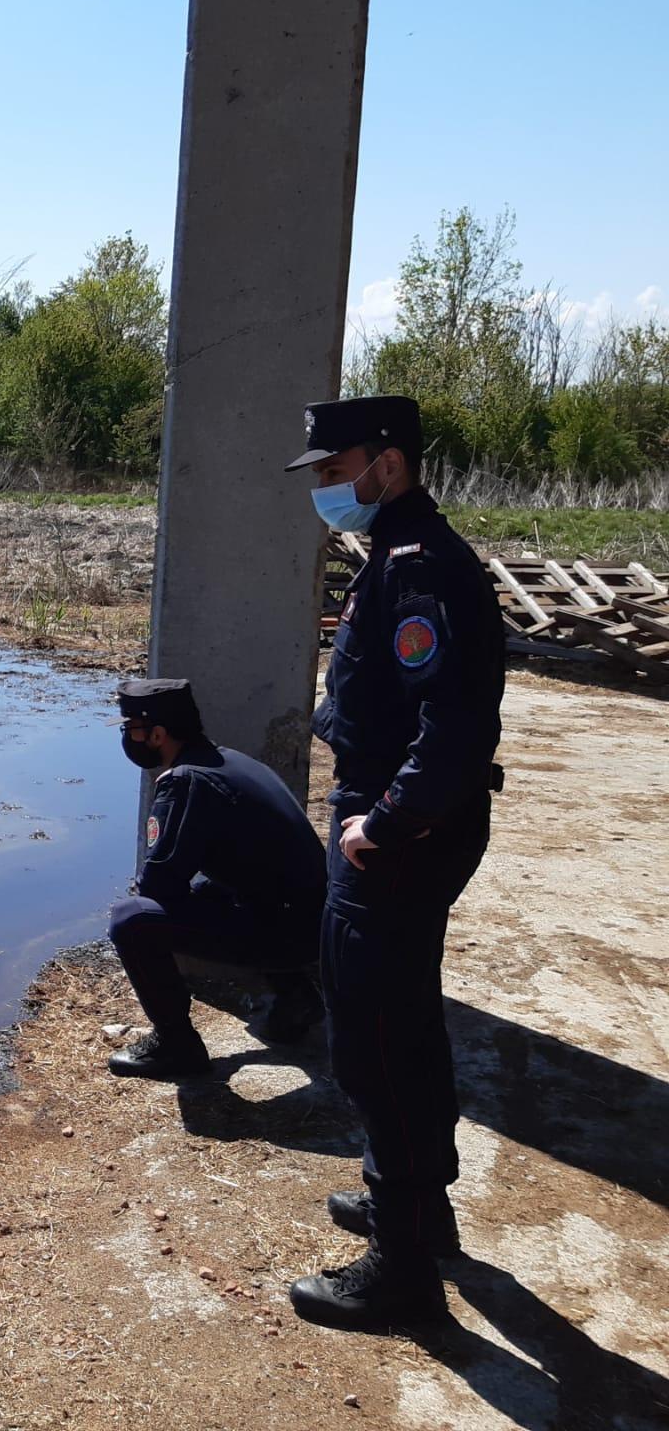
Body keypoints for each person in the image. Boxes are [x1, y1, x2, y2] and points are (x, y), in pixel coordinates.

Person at [284, 393, 505, 1331]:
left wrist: (387, 822)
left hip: (396, 836)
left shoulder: (419, 568)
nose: (327, 490)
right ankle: (417, 1208)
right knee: (401, 1019)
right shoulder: (400, 555)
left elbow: (453, 722)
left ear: (387, 463)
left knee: (376, 1038)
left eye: (335, 473)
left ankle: (403, 1269)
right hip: (400, 826)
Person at [106, 678, 327, 1079]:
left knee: (131, 919)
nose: (128, 738)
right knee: (218, 885)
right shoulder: (228, 760)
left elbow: (157, 885)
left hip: (291, 931)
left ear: (157, 734)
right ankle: (296, 996)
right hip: (310, 919)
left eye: (132, 730)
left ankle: (177, 1046)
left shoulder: (186, 780)